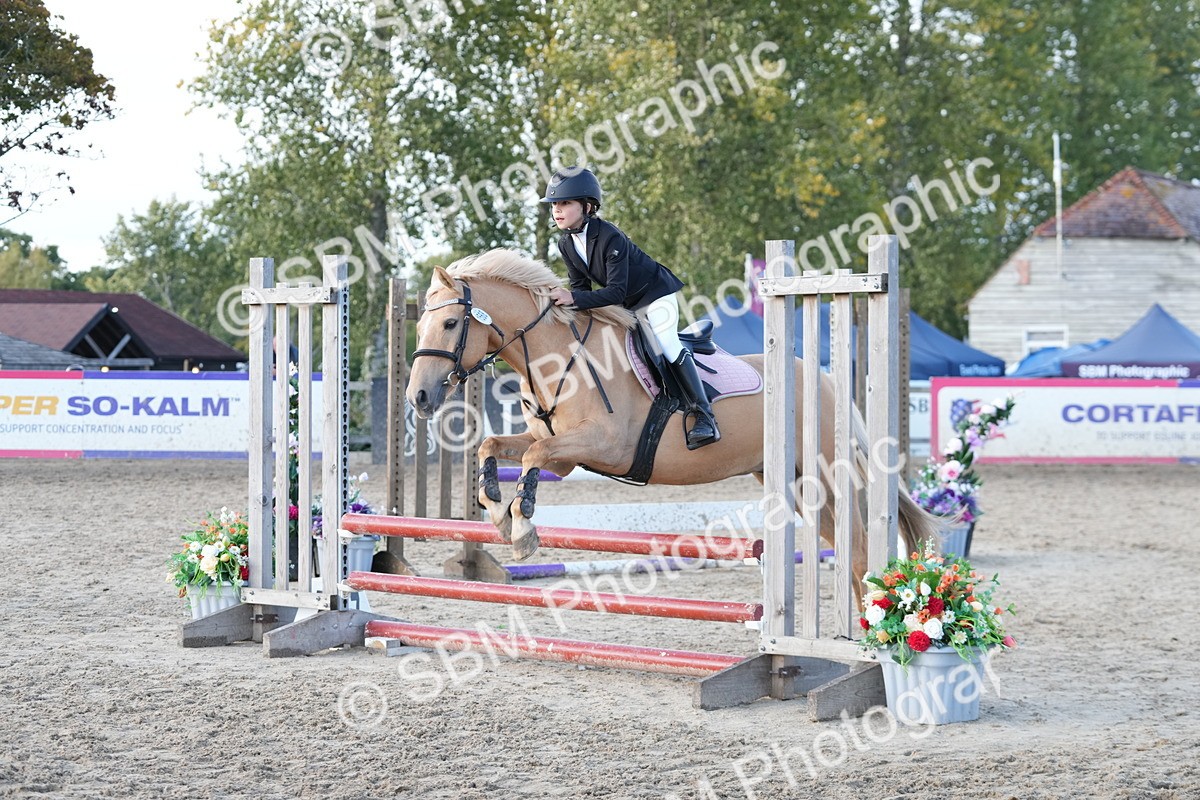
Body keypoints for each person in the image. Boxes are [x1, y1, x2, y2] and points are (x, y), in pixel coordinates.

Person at [540, 166, 720, 449]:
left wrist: (573, 299)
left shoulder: (610, 236)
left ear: (587, 206)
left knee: (666, 344)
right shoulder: (566, 243)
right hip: (627, 307)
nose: (557, 210)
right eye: (554, 205)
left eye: (565, 203)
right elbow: (581, 291)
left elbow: (615, 291)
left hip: (656, 297)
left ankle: (704, 416)